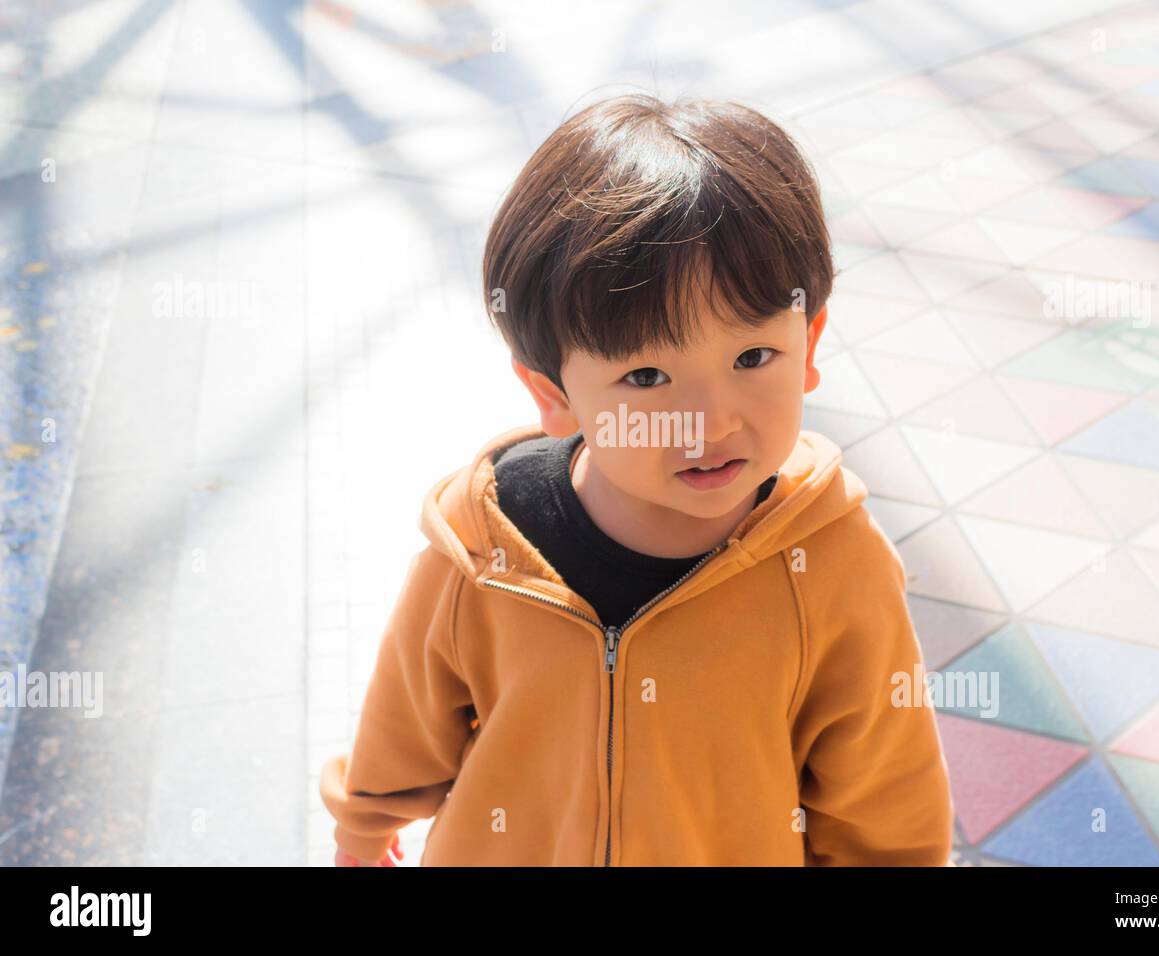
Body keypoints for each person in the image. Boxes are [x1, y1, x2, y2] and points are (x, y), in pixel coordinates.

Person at [320, 92, 954, 866]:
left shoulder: (830, 565)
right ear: (553, 395)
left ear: (810, 340)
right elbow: (408, 712)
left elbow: (886, 804)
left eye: (753, 358)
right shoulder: (487, 545)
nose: (712, 423)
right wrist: (363, 827)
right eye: (648, 376)